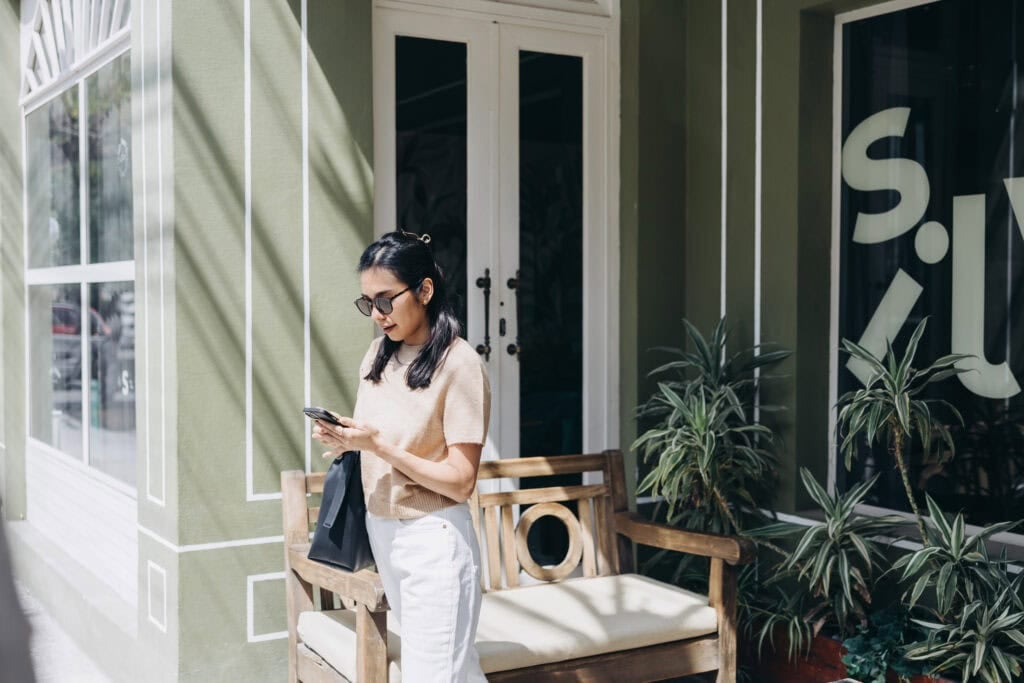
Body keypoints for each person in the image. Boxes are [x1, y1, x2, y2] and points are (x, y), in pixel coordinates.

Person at [311, 230, 490, 683]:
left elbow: (460, 480)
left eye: (386, 300)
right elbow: (374, 436)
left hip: (434, 541)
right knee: (454, 674)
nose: (376, 314)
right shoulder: (377, 356)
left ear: (425, 290)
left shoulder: (460, 364)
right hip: (383, 532)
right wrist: (345, 438)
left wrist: (378, 446)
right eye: (367, 302)